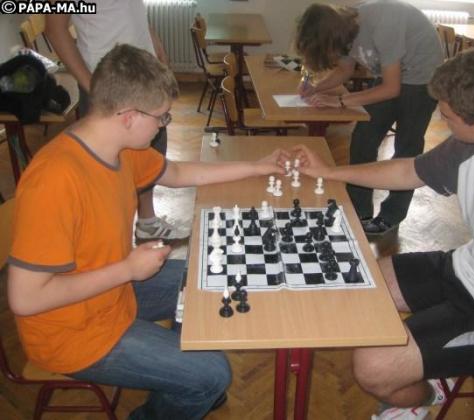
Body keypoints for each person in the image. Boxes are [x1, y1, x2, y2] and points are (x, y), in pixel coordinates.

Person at [7, 44, 285, 420]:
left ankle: (184, 380)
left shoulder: (120, 147)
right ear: (128, 116)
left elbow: (179, 173)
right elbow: (26, 299)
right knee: (214, 374)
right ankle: (180, 392)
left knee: (205, 276)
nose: (162, 125)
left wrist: (257, 167)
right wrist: (127, 269)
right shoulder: (54, 181)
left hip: (113, 293)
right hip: (72, 333)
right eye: (161, 117)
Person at [292, 46, 474, 419]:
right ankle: (428, 367)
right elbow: (409, 171)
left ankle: (425, 397)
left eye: (446, 116)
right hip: (468, 269)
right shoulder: (473, 142)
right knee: (363, 280)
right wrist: (329, 173)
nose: (441, 119)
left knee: (372, 368)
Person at [294, 1, 443, 237]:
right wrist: (316, 88)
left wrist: (341, 100)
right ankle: (359, 209)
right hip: (390, 76)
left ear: (333, 36)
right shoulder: (342, 33)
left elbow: (391, 88)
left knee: (407, 147)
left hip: (422, 78)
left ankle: (391, 215)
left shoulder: (383, 23)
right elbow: (345, 70)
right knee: (363, 139)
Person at [46, 1, 187, 241]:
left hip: (142, 75)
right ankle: (105, 239)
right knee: (106, 167)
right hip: (108, 84)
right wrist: (92, 86)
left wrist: (156, 45)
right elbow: (55, 29)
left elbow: (133, 11)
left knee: (151, 149)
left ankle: (147, 221)